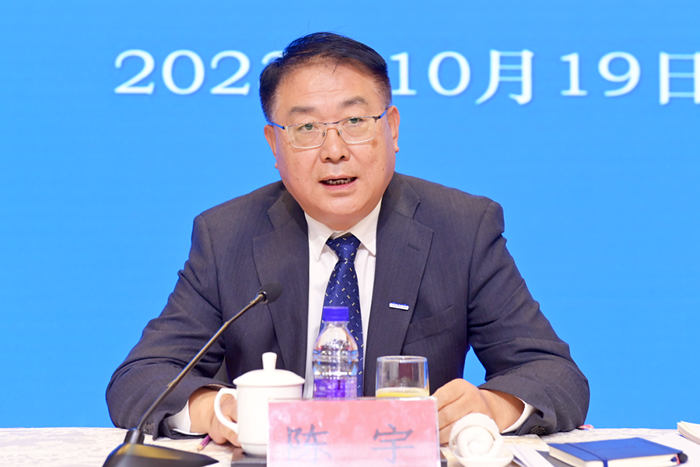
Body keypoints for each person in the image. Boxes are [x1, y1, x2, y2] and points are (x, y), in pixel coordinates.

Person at [106, 32, 589, 446]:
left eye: (355, 122)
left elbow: (555, 376)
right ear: (275, 145)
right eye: (306, 128)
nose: (334, 150)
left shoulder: (461, 227)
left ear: (392, 129)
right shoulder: (227, 235)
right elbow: (139, 380)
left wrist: (488, 407)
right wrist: (219, 410)